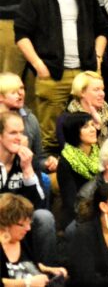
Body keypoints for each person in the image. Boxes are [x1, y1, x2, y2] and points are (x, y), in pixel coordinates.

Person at [14, 0, 108, 155]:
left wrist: (97, 59)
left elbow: (103, 29)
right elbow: (21, 34)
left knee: (90, 132)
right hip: (52, 73)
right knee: (49, 139)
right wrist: (39, 65)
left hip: (85, 73)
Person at [0, 112, 55, 265]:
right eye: (13, 133)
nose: (19, 138)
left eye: (21, 133)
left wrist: (27, 170)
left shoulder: (28, 160)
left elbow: (39, 204)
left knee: (44, 217)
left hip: (21, 218)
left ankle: (47, 271)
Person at [0, 193, 68, 286]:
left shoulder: (22, 239)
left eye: (29, 223)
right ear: (6, 223)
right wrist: (27, 282)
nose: (28, 228)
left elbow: (29, 264)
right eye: (22, 224)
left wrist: (50, 269)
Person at [59, 70, 108, 147]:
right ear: (82, 92)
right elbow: (71, 151)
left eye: (102, 89)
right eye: (96, 90)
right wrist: (97, 128)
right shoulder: (65, 120)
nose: (102, 94)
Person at [0, 72, 54, 174]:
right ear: (1, 97)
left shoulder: (30, 119)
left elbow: (37, 160)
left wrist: (47, 163)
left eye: (21, 88)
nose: (20, 93)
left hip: (24, 176)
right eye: (14, 91)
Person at [56, 112, 100, 229]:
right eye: (86, 127)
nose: (93, 129)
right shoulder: (66, 161)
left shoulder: (100, 154)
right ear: (74, 132)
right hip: (78, 216)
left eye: (92, 125)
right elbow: (70, 203)